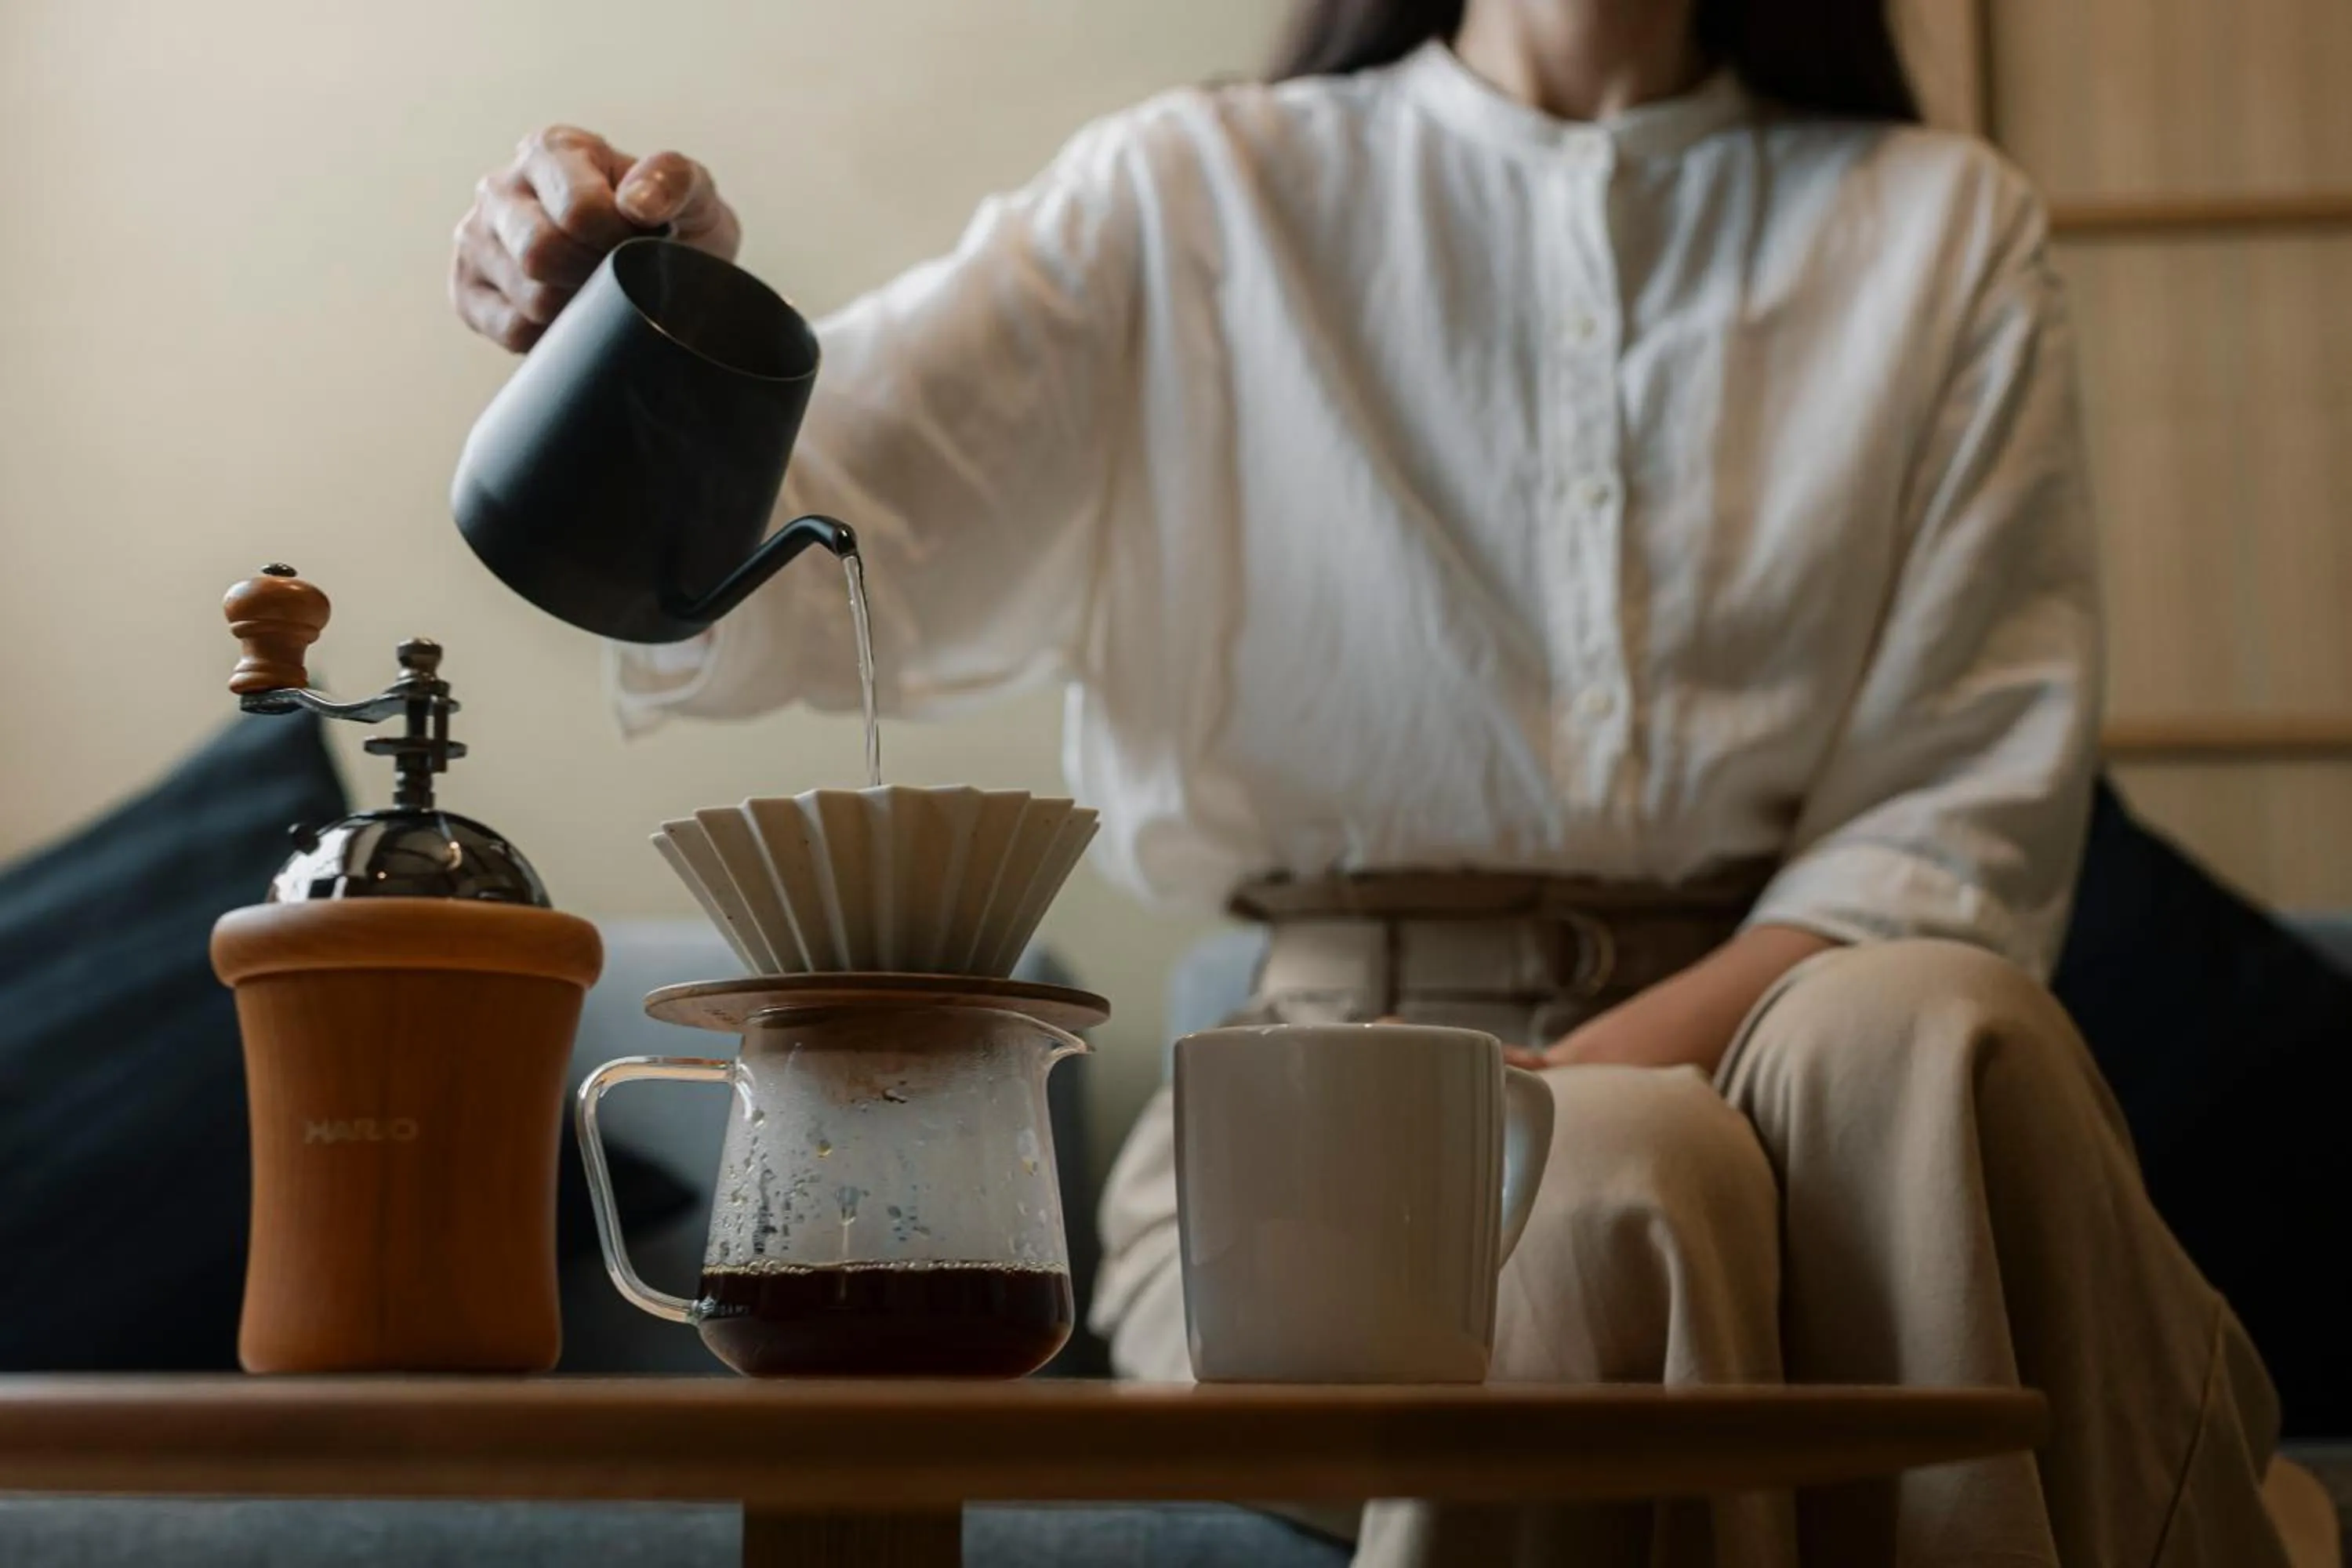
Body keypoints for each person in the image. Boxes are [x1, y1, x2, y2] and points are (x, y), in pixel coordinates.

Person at [450, 2, 2295, 1563]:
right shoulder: (1196, 199)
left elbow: (1950, 828)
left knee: (1944, 1027)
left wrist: (1579, 1084)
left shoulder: (1943, 230)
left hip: (1824, 1083)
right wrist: (624, 326)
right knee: (1622, 1174)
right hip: (1310, 1123)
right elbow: (798, 542)